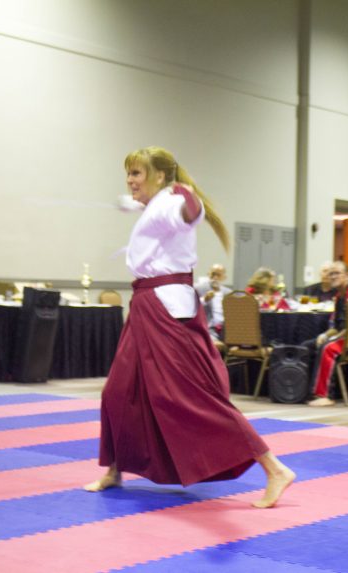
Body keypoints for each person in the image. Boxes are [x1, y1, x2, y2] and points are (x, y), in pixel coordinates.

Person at [84, 146, 294, 509]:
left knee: (187, 395)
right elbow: (151, 208)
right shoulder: (157, 203)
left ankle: (274, 468)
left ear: (160, 176)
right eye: (128, 173)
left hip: (165, 307)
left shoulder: (172, 203)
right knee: (117, 391)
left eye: (136, 173)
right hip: (147, 303)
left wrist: (188, 199)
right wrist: (134, 201)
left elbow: (187, 215)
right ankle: (114, 469)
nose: (130, 180)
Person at [306, 261, 348, 406]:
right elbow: (338, 326)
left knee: (328, 348)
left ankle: (325, 395)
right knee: (308, 345)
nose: (332, 276)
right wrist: (325, 335)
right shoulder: (339, 296)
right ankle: (306, 391)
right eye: (331, 273)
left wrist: (333, 338)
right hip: (345, 337)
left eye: (336, 273)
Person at [198, 264, 231, 340]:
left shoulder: (228, 293)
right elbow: (192, 307)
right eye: (213, 274)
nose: (215, 277)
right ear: (208, 274)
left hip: (226, 330)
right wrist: (204, 299)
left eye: (218, 275)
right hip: (208, 329)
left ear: (224, 277)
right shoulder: (199, 288)